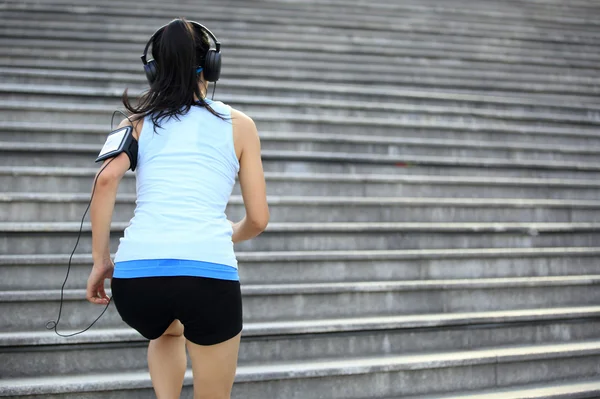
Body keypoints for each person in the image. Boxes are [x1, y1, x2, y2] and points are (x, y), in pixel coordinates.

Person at [85, 17, 269, 399]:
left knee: (166, 328)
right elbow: (258, 219)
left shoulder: (136, 122)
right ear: (211, 65)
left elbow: (104, 180)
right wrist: (230, 232)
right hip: (207, 276)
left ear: (154, 70)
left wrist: (101, 260)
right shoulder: (240, 125)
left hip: (137, 281)